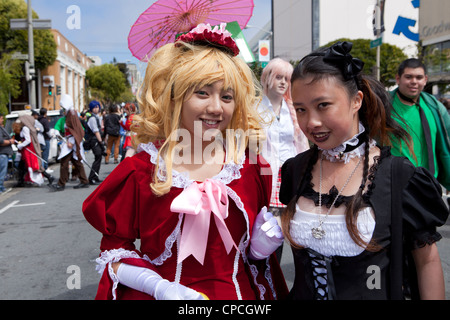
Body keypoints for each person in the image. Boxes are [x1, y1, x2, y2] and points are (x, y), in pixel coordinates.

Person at [82, 22, 288, 300]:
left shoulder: (248, 167)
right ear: (174, 96)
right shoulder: (141, 170)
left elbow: (250, 258)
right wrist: (159, 287)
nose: (216, 108)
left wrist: (260, 249)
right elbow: (114, 253)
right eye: (202, 92)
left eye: (227, 96)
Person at [277, 42, 448, 300]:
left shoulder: (399, 176)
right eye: (300, 109)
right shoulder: (296, 169)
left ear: (356, 100)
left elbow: (427, 261)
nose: (311, 122)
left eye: (323, 105)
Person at [258, 57, 309, 261]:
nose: (282, 83)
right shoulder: (254, 108)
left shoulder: (294, 109)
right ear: (267, 78)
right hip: (265, 176)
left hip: (290, 176)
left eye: (287, 79)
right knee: (269, 231)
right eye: (278, 77)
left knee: (295, 231)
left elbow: (302, 144)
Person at [389, 58, 450, 191]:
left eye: (419, 77)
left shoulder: (435, 107)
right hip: (393, 184)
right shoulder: (383, 105)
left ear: (425, 80)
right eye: (409, 77)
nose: (414, 82)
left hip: (428, 184)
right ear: (398, 79)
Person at [49, 94, 89, 191]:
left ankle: (62, 183)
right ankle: (82, 181)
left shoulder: (72, 116)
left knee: (69, 162)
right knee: (72, 162)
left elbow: (77, 131)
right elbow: (63, 129)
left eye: (63, 108)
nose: (63, 110)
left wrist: (72, 142)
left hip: (72, 142)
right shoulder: (68, 116)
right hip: (69, 142)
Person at [13, 115, 54, 186]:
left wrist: (20, 145)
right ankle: (21, 181)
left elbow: (28, 140)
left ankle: (49, 177)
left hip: (28, 150)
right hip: (26, 149)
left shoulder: (25, 128)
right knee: (24, 165)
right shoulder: (27, 128)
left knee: (33, 165)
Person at [84, 100, 104, 185]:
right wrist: (101, 142)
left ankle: (95, 176)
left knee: (99, 158)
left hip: (96, 140)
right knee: (98, 156)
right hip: (94, 140)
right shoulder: (92, 118)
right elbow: (96, 131)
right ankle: (91, 177)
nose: (97, 108)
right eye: (95, 107)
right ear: (91, 109)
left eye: (97, 107)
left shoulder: (96, 117)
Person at [0, 113, 14, 193]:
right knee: (2, 171)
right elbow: (0, 141)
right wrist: (10, 141)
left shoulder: (1, 127)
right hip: (2, 153)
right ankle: (0, 187)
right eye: (1, 119)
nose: (2, 120)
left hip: (3, 153)